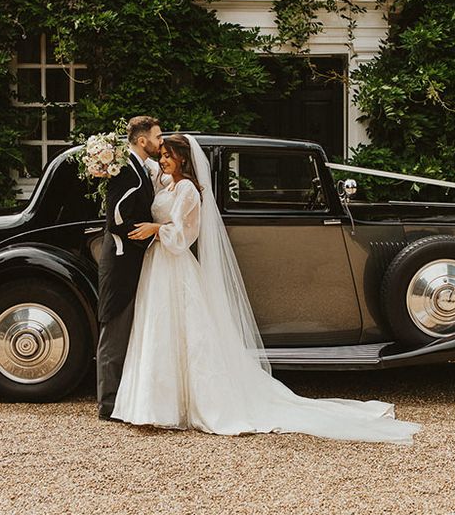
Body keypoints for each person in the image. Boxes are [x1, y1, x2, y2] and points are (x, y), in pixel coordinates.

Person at [110, 133, 421, 443]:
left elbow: (183, 236)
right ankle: (156, 406)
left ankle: (181, 405)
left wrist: (155, 229)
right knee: (160, 331)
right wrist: (108, 162)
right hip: (160, 265)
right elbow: (139, 167)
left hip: (172, 262)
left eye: (168, 155)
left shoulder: (189, 189)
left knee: (184, 334)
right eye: (161, 154)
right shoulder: (165, 183)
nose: (162, 159)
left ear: (183, 159)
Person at [96, 115, 163, 420]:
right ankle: (108, 404)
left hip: (131, 259)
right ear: (141, 140)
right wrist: (147, 234)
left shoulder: (139, 168)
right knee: (116, 328)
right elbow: (117, 220)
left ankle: (122, 398)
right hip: (122, 260)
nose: (160, 143)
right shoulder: (128, 172)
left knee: (126, 329)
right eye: (157, 137)